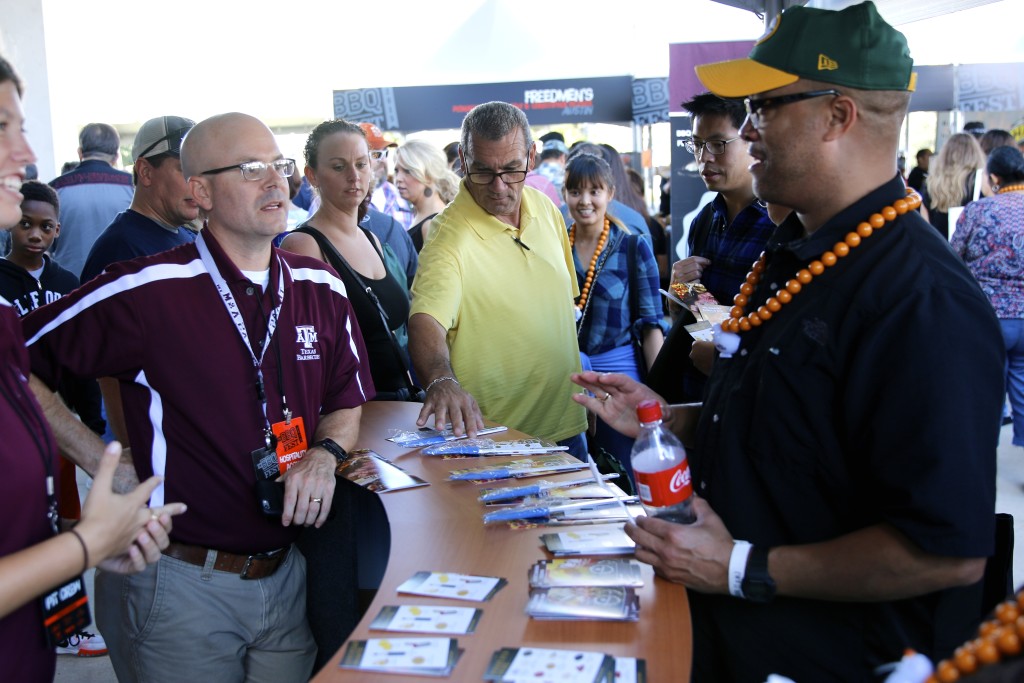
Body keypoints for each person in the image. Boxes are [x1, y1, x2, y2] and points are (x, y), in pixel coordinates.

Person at [573, 3, 1004, 680]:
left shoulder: (923, 300)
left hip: (821, 657)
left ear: (837, 116)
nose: (746, 129)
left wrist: (742, 567)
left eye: (766, 106)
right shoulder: (798, 249)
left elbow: (945, 549)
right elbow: (798, 430)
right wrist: (669, 420)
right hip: (731, 637)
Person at [22, 112, 374, 681]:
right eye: (250, 168)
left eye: (278, 166)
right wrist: (99, 461)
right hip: (179, 583)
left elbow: (346, 398)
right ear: (200, 190)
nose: (275, 182)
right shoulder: (147, 290)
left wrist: (324, 455)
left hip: (288, 578)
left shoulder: (320, 288)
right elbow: (14, 361)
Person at [0, 53, 182, 683]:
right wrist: (87, 544)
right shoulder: (122, 250)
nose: (25, 154)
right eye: (2, 126)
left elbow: (22, 376)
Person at [409, 101, 587, 455]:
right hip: (498, 443)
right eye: (482, 171)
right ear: (462, 160)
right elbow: (425, 322)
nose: (499, 186)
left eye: (511, 169)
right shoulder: (449, 238)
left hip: (569, 429)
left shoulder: (546, 208)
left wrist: (581, 398)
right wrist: (441, 380)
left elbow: (560, 310)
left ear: (531, 157)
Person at [646, 92, 776, 404]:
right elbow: (699, 320)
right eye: (697, 144)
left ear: (752, 139)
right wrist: (681, 290)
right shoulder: (705, 219)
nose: (704, 157)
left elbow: (780, 331)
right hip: (697, 397)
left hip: (754, 399)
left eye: (718, 144)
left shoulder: (781, 223)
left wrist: (694, 298)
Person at [281, 119, 417, 401]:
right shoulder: (303, 245)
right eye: (339, 166)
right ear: (313, 175)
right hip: (353, 413)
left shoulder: (372, 240)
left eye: (361, 164)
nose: (354, 176)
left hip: (401, 407)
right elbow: (305, 351)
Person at [566, 153, 663, 471]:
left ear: (610, 193)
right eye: (575, 191)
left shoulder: (633, 247)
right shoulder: (554, 247)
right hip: (566, 377)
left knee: (626, 469)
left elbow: (651, 326)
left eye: (594, 191)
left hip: (618, 380)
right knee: (577, 471)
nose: (585, 201)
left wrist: (658, 396)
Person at [951, 146, 1024, 447]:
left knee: (988, 389)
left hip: (988, 317)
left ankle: (984, 458)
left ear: (994, 177)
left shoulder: (978, 211)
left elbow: (953, 258)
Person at [80, 116, 198, 283]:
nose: (199, 183)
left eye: (202, 170)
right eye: (185, 169)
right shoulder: (119, 251)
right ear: (145, 172)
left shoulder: (191, 238)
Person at [49, 123, 133, 278]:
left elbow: (46, 243)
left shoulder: (55, 189)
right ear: (116, 157)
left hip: (70, 289)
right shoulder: (133, 186)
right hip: (120, 286)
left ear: (80, 153)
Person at [393, 139, 459, 252]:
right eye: (396, 171)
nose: (398, 178)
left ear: (428, 174)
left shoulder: (433, 224)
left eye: (407, 171)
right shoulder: (424, 216)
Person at [924, 132, 986, 239]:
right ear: (975, 154)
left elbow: (925, 224)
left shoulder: (931, 183)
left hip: (940, 248)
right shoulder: (979, 181)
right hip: (969, 248)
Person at [362, 122, 414, 230]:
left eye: (385, 153)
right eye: (376, 154)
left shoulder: (401, 195)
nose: (383, 160)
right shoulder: (349, 201)